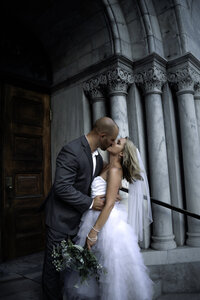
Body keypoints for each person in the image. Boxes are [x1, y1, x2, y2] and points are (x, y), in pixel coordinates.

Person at [64, 138, 154, 300]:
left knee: (111, 270)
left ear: (121, 153)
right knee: (96, 267)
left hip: (107, 224)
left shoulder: (114, 170)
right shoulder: (108, 166)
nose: (113, 142)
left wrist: (93, 232)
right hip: (95, 215)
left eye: (118, 142)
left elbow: (110, 204)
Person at [42, 117, 119, 300]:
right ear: (102, 135)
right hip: (59, 219)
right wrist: (91, 203)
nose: (112, 144)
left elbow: (93, 184)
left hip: (79, 221)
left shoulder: (98, 158)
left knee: (69, 268)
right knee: (53, 267)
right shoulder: (72, 150)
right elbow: (61, 187)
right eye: (111, 140)